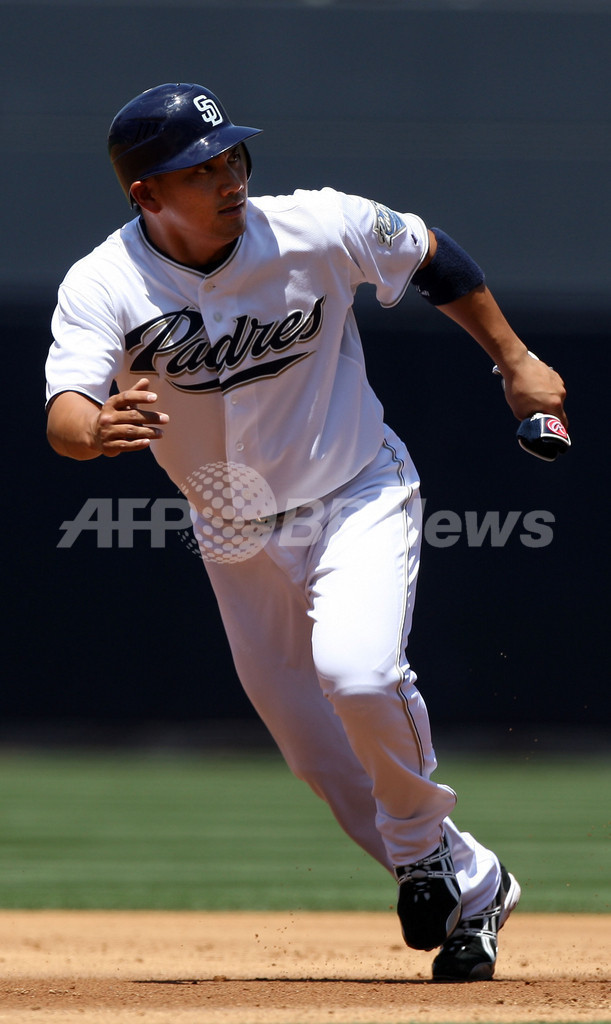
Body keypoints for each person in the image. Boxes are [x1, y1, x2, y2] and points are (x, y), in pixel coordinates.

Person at [45, 82, 567, 982]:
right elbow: (65, 411)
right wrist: (92, 430)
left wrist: (514, 360)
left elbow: (430, 253)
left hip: (354, 490)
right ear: (145, 193)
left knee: (358, 673)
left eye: (233, 158)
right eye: (200, 170)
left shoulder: (315, 225)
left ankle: (421, 851)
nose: (229, 178)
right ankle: (473, 886)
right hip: (231, 532)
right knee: (316, 750)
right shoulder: (104, 281)